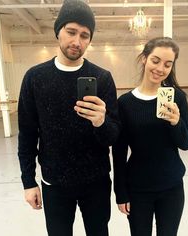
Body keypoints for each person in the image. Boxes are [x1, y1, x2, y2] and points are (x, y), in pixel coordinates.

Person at [17, 0, 120, 235]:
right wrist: (28, 181)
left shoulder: (102, 78)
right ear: (58, 31)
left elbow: (113, 135)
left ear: (90, 40)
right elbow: (28, 133)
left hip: (96, 182)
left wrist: (101, 122)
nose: (77, 41)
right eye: (71, 32)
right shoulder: (35, 78)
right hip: (55, 182)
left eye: (85, 35)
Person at [112, 37, 188, 236]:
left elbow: (186, 142)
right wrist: (120, 193)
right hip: (138, 189)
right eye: (155, 61)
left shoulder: (177, 97)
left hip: (172, 187)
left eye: (168, 64)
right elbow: (119, 152)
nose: (160, 68)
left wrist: (176, 123)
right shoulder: (125, 103)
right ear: (144, 59)